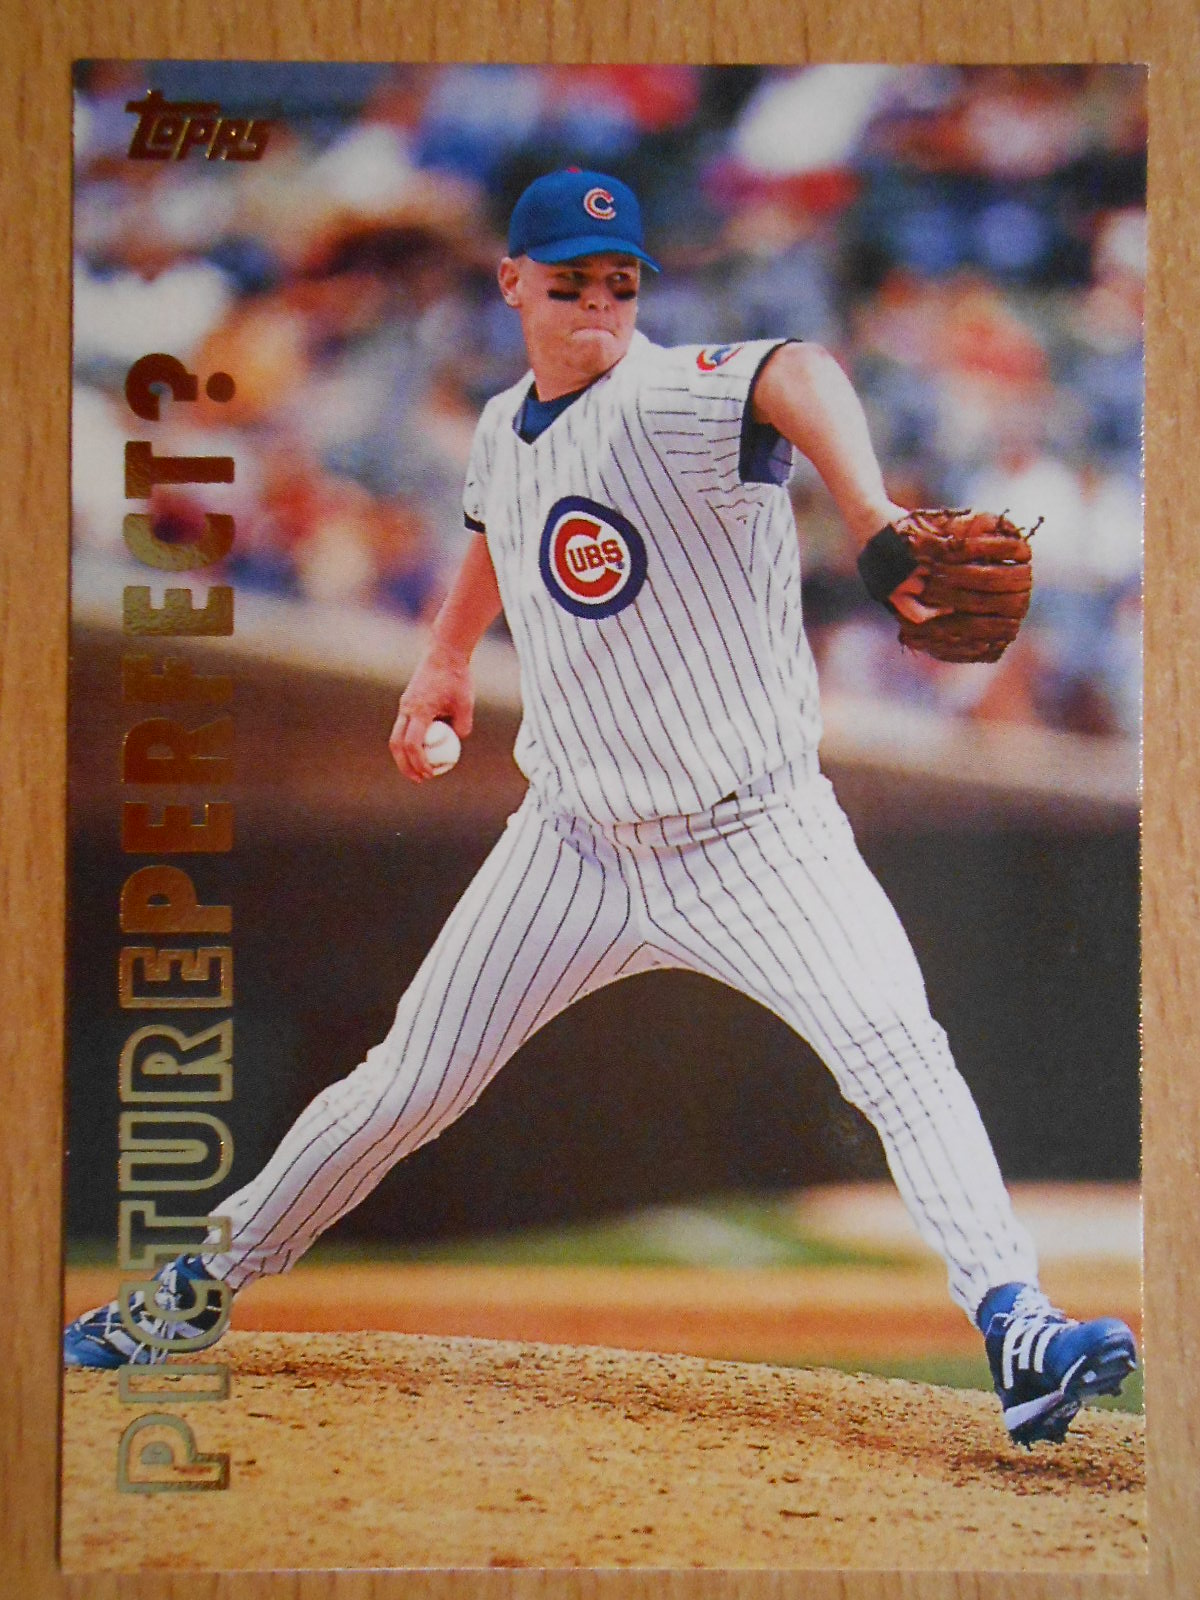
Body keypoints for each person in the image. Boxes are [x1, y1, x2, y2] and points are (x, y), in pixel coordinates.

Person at [65, 168, 1136, 1448]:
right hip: (569, 845)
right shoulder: (499, 423)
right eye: (569, 284)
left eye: (619, 284)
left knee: (899, 1053)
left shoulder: (671, 396)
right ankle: (199, 1284)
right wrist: (443, 659)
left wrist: (869, 511)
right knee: (405, 1085)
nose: (597, 308)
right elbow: (493, 521)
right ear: (512, 283)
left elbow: (798, 369)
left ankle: (1018, 1324)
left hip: (756, 838)